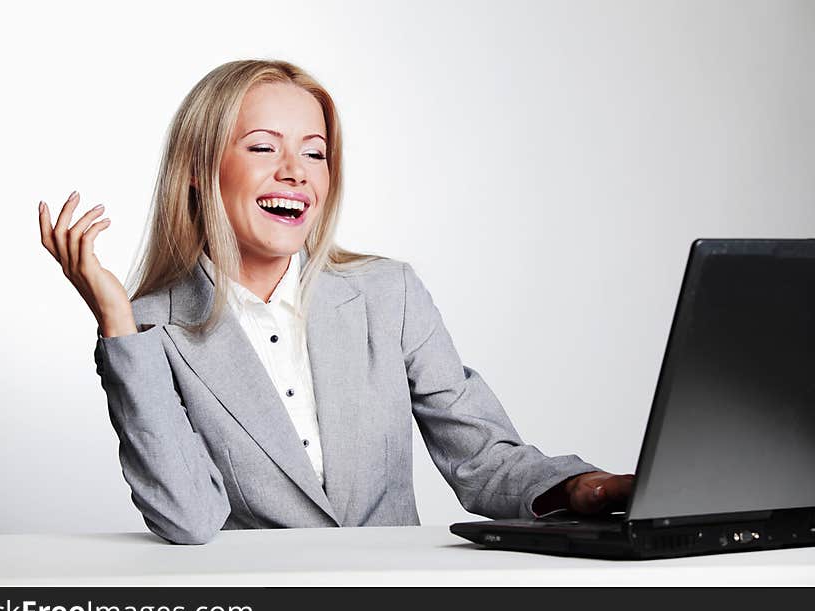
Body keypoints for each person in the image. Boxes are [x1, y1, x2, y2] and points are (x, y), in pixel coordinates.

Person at [38, 59, 633, 545]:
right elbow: (187, 519)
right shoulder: (148, 332)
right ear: (199, 170)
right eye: (264, 148)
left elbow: (483, 460)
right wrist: (117, 321)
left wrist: (583, 489)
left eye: (315, 152)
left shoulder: (389, 294)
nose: (296, 172)